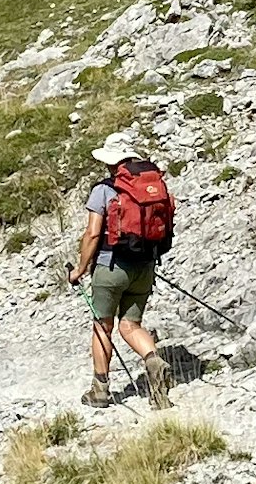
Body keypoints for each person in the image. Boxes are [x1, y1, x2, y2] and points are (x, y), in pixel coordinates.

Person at [67, 134, 175, 407]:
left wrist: (80, 269)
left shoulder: (103, 190)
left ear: (111, 163)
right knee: (131, 325)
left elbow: (93, 234)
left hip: (110, 266)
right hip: (145, 266)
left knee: (103, 327)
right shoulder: (152, 187)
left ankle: (100, 391)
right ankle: (153, 360)